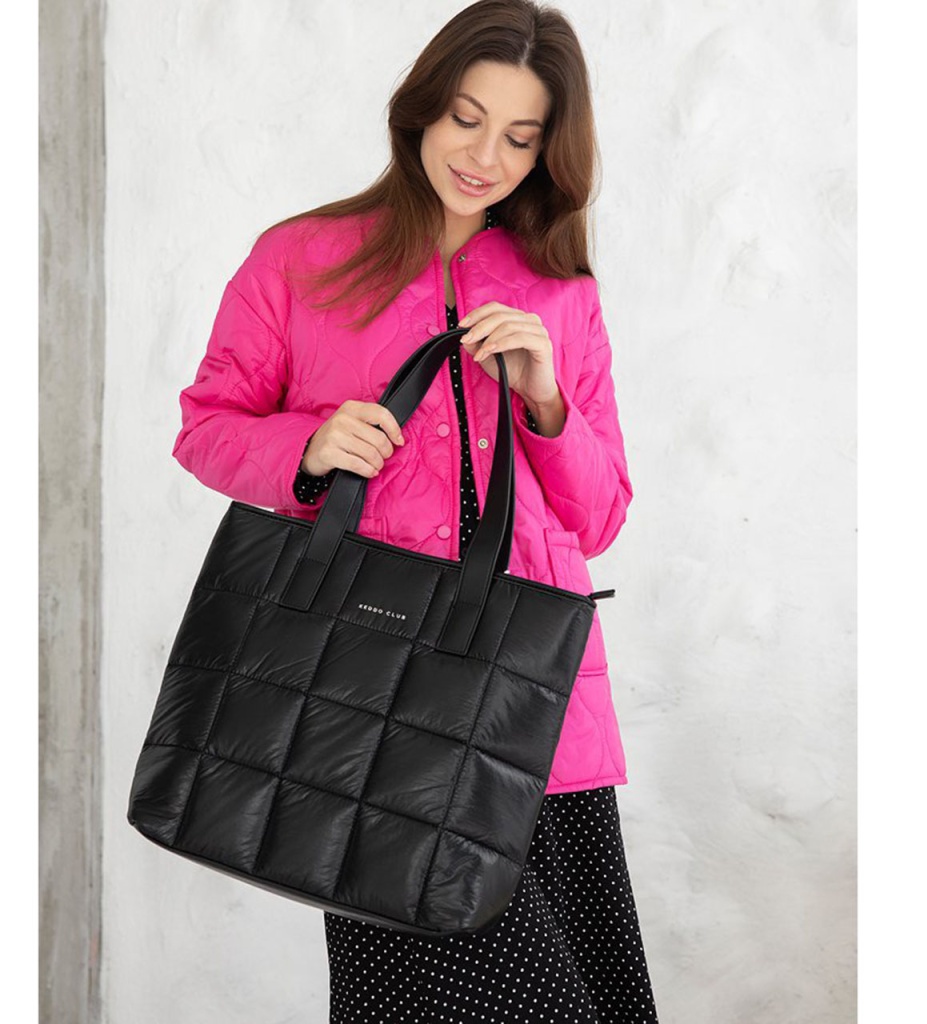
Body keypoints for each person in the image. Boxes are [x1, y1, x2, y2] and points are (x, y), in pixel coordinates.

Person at [171, 1, 658, 1020]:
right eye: (466, 119)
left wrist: (544, 399)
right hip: (365, 708)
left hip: (533, 712)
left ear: (548, 152)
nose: (483, 157)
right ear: (422, 110)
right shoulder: (300, 259)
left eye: (519, 137)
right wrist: (305, 449)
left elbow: (601, 515)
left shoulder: (559, 291)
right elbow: (207, 425)